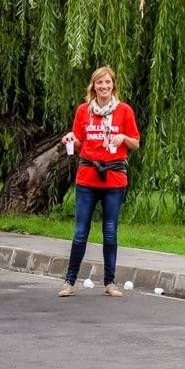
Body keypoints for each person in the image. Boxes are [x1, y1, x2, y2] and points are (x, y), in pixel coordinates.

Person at [58, 66, 141, 298]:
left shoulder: (124, 111)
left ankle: (110, 282)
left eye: (107, 82)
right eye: (99, 83)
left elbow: (135, 143)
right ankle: (69, 281)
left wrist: (123, 137)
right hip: (87, 177)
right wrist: (69, 139)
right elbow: (77, 141)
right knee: (80, 231)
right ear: (93, 86)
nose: (103, 87)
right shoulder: (83, 111)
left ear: (113, 85)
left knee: (110, 231)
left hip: (114, 178)